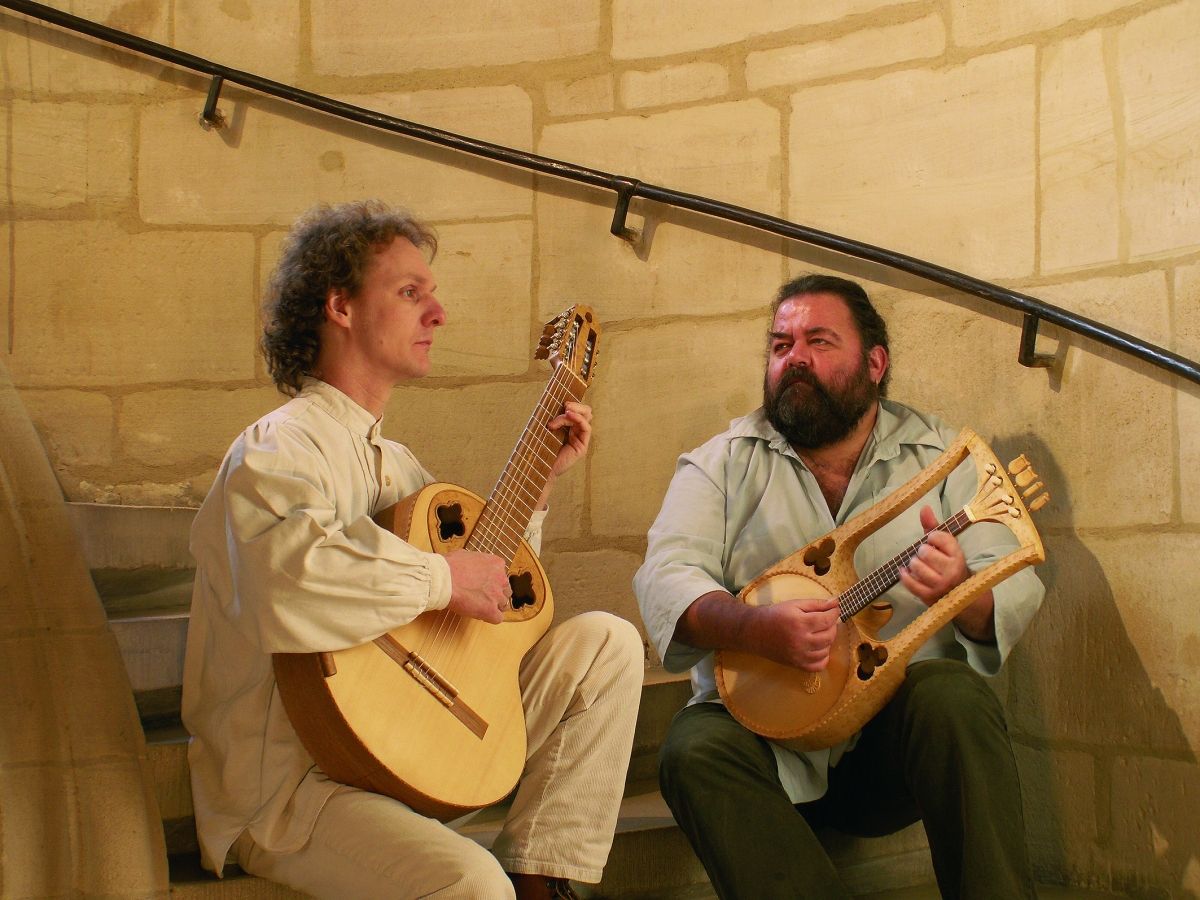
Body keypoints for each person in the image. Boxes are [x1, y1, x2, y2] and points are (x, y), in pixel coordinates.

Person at [182, 200, 643, 900]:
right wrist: (440, 576)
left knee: (609, 644)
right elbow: (290, 582)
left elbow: (484, 598)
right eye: (409, 293)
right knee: (468, 886)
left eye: (431, 294)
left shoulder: (397, 465)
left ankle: (545, 878)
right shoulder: (277, 449)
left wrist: (539, 486)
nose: (438, 313)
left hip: (407, 741)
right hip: (292, 787)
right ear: (340, 305)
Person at [634, 274, 1046, 900]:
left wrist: (962, 588)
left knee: (955, 695)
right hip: (762, 742)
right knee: (691, 749)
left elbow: (1008, 577)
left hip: (887, 745)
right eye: (780, 345)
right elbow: (667, 574)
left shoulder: (946, 457)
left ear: (874, 362)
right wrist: (753, 629)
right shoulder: (718, 463)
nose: (793, 357)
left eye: (818, 341)